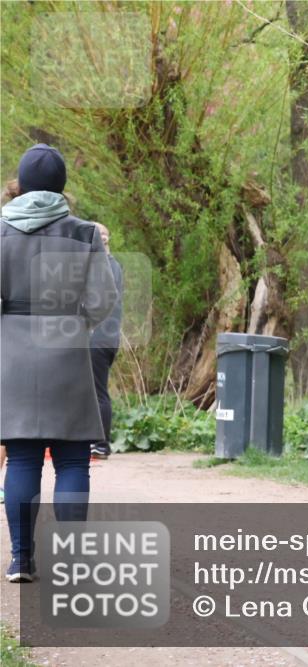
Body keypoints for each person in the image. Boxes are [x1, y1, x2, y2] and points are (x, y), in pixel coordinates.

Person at [1, 144, 116, 582]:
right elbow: (103, 300)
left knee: (23, 459)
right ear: (62, 186)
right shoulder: (83, 232)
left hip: (11, 355)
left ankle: (21, 560)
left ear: (21, 183)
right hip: (67, 350)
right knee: (71, 460)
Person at [89, 222, 123, 460]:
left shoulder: (103, 269)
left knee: (97, 391)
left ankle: (101, 444)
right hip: (107, 337)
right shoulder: (112, 266)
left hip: (98, 338)